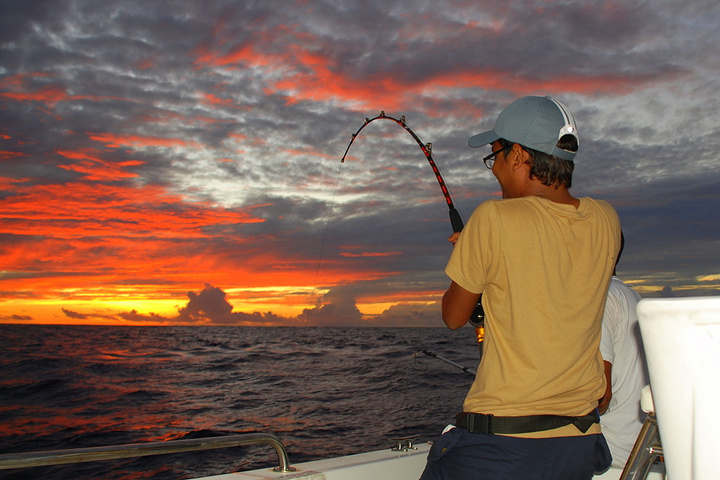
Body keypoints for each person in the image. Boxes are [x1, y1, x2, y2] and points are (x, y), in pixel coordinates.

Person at [420, 95, 620, 480]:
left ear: (517, 157)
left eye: (494, 156)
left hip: (503, 447)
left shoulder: (492, 218)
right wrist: (488, 251)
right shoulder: (606, 219)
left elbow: (453, 315)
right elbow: (552, 258)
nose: (493, 168)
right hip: (577, 445)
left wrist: (474, 251)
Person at [598, 234, 649, 468]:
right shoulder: (631, 296)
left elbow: (599, 396)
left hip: (610, 452)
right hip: (637, 446)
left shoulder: (601, 299)